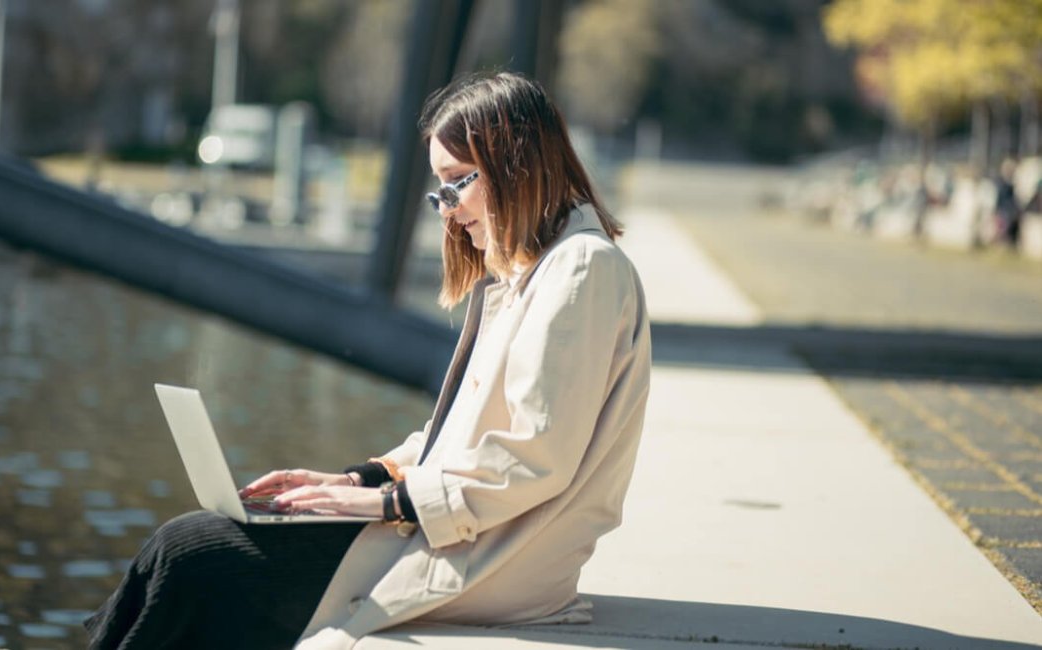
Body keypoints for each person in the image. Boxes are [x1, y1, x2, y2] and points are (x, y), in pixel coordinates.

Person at [85, 71, 652, 650]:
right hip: (458, 529)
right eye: (441, 190)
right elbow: (455, 438)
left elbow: (533, 456)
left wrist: (385, 504)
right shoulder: (531, 271)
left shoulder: (581, 270)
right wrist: (360, 478)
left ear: (515, 163)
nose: (448, 211)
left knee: (194, 557)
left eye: (457, 183)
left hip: (496, 556)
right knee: (184, 545)